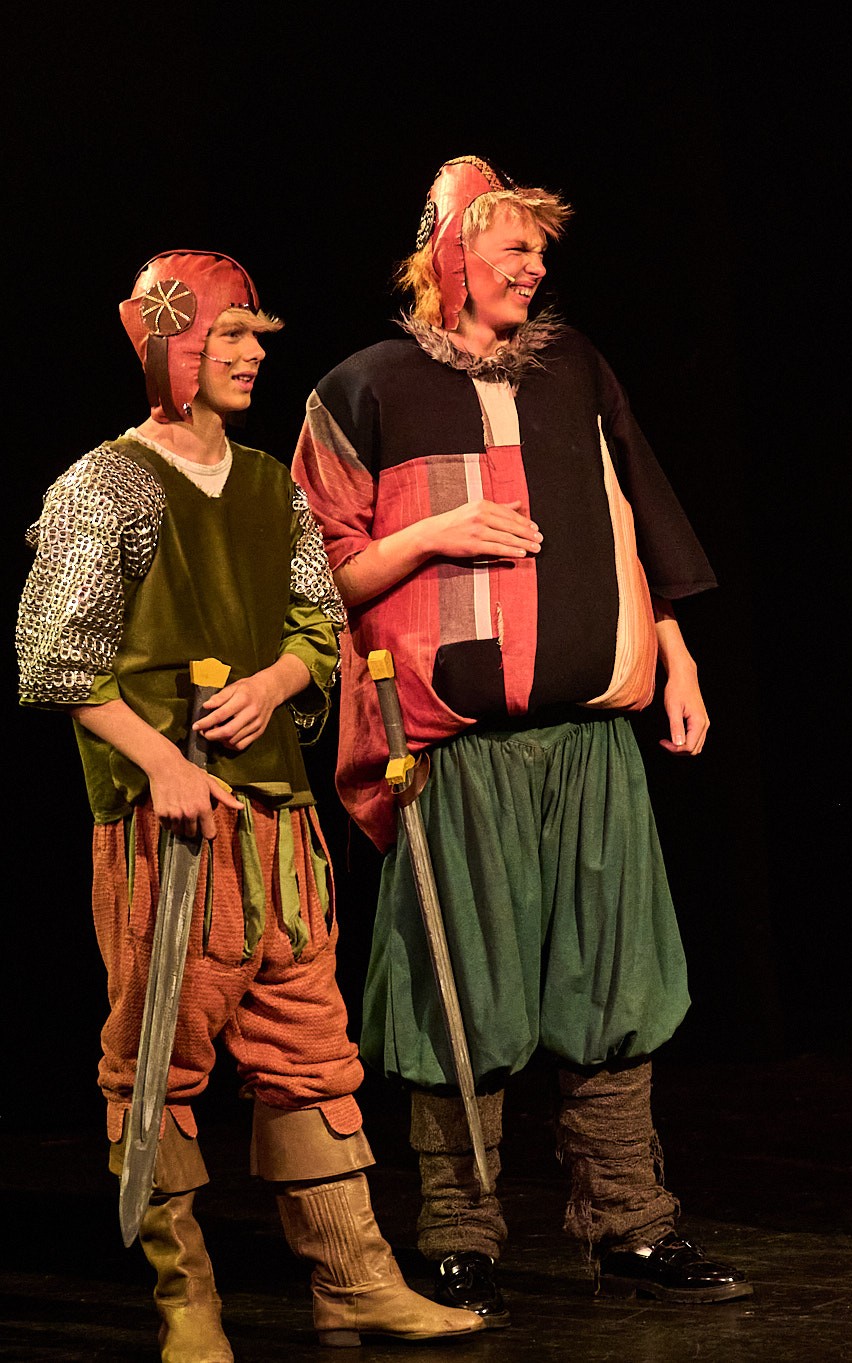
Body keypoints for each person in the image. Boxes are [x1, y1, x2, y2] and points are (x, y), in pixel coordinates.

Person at [292, 156, 747, 1315]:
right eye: (512, 248)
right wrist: (431, 532)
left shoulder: (573, 367)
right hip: (457, 749)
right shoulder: (364, 388)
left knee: (614, 980)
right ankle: (458, 1233)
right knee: (464, 993)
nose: (535, 267)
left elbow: (634, 510)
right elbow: (311, 575)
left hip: (589, 740)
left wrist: (678, 658)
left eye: (541, 251)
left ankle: (631, 1222)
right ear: (450, 257)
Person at [17, 251, 484, 1357]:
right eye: (229, 337)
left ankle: (355, 1279)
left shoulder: (273, 484)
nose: (251, 355)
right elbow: (54, 657)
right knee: (160, 1056)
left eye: (254, 338)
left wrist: (277, 681)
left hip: (276, 820)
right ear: (169, 347)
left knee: (310, 1046)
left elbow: (315, 628)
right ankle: (188, 1301)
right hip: (164, 824)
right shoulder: (103, 486)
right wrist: (161, 761)